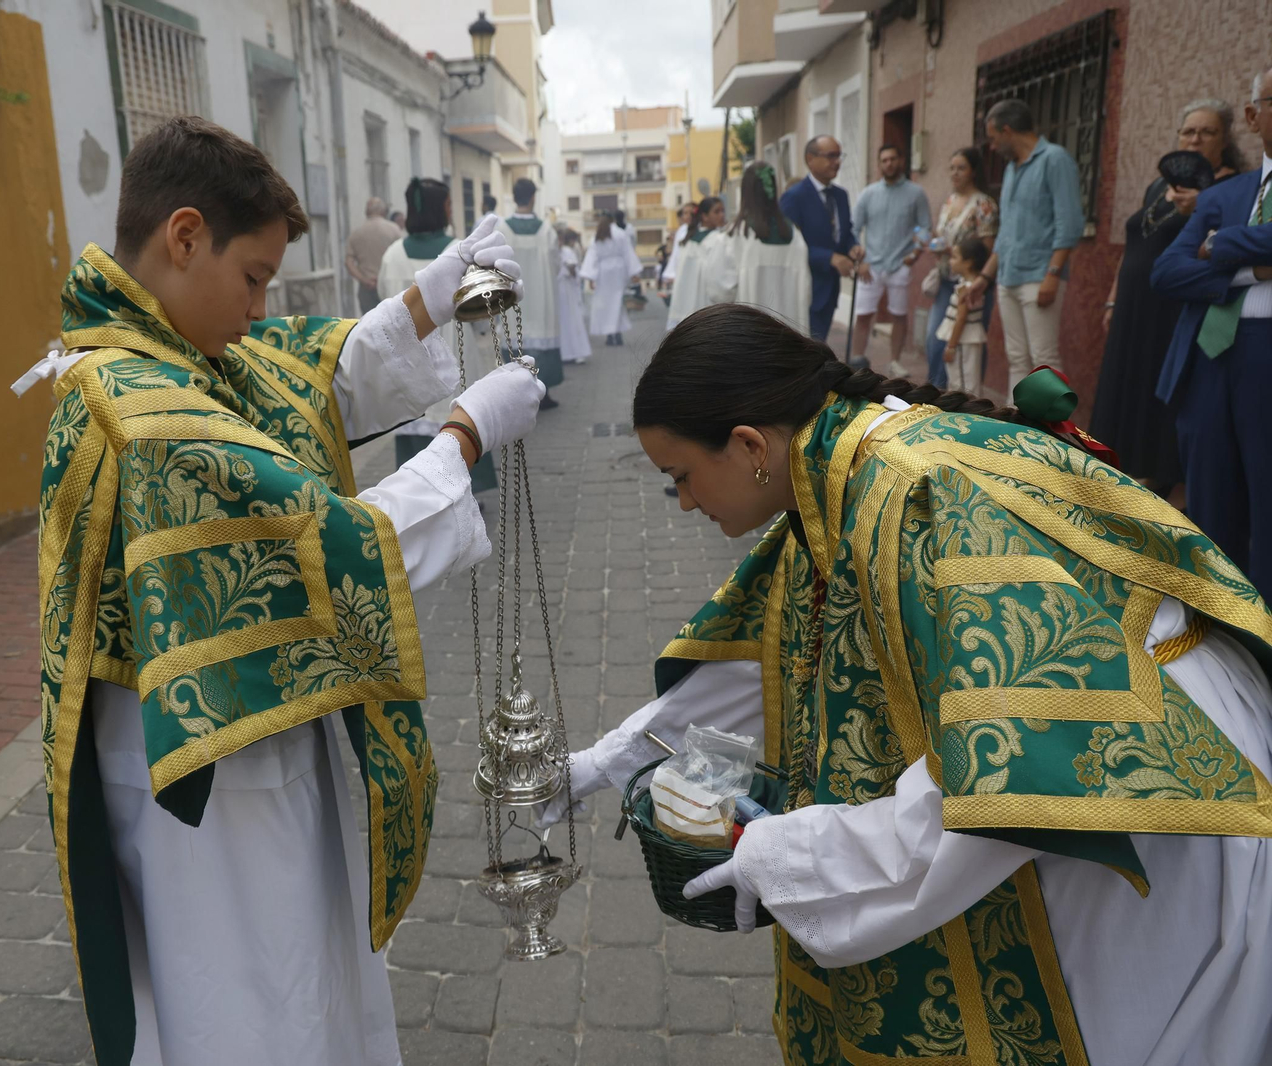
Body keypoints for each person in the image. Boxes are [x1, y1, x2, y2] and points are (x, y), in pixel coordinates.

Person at [542, 302, 1272, 1066]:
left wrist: (793, 855)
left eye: (682, 477)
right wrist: (605, 762)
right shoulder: (827, 476)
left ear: (749, 444)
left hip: (1154, 782)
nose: (686, 502)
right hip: (1089, 746)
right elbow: (775, 654)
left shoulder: (907, 493)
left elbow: (1011, 759)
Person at [24, 117, 545, 1065]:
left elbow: (299, 380)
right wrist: (462, 438)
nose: (262, 308)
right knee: (255, 996)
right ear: (185, 238)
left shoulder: (170, 348)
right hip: (213, 781)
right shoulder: (139, 405)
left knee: (301, 973)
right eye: (254, 277)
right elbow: (324, 543)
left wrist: (424, 303)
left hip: (243, 730)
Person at [1153, 65, 1272, 597]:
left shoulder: (1221, 211)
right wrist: (1252, 268)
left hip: (1265, 357)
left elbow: (1206, 251)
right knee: (1208, 499)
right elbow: (1168, 271)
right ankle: (1213, 616)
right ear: (1253, 114)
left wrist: (1223, 246)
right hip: (1207, 356)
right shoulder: (1227, 194)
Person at [1092, 99, 1243, 503]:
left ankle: (1159, 477)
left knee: (1158, 385)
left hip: (1173, 307)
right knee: (1126, 378)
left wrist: (1199, 210)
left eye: (1206, 132)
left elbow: (1220, 250)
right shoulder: (1161, 183)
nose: (1195, 139)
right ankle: (1121, 463)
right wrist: (1111, 298)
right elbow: (1134, 242)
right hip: (1132, 304)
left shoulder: (1231, 185)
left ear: (1225, 138)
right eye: (1188, 131)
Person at [376, 176, 498, 491]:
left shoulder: (391, 255)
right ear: (440, 209)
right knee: (455, 426)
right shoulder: (456, 252)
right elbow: (479, 313)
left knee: (415, 436)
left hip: (406, 365)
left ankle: (417, 500)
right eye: (448, 204)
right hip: (455, 360)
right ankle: (463, 495)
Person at [968, 99, 1085, 390]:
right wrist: (985, 277)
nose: (992, 147)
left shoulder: (1054, 159)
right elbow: (1006, 232)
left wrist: (1053, 276)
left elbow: (1069, 224)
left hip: (1039, 277)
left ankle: (1051, 429)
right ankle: (1017, 424)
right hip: (1007, 278)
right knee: (1017, 357)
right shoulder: (1011, 169)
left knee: (1043, 358)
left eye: (993, 139)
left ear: (1007, 130)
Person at [849, 143, 931, 375]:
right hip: (871, 266)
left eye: (892, 159)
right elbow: (853, 229)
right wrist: (858, 257)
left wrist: (914, 255)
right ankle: (856, 361)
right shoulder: (868, 193)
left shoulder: (916, 193)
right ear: (879, 164)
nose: (889, 164)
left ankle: (894, 361)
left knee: (899, 315)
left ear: (901, 161)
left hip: (900, 265)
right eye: (884, 160)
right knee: (863, 314)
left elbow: (925, 227)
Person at [922, 147, 999, 389]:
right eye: (952, 168)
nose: (955, 173)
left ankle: (967, 400)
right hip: (946, 279)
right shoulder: (950, 200)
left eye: (961, 168)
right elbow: (940, 233)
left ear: (973, 171)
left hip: (970, 283)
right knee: (935, 339)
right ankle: (936, 394)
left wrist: (955, 252)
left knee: (968, 347)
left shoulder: (984, 204)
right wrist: (936, 245)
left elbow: (986, 248)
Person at [781, 135, 860, 341]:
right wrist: (829, 258)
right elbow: (788, 247)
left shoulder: (841, 195)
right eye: (831, 156)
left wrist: (853, 247)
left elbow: (845, 232)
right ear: (810, 159)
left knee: (819, 348)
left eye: (839, 155)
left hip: (830, 290)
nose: (837, 161)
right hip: (805, 288)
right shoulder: (794, 197)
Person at [498, 177, 563, 408]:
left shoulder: (502, 228)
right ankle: (541, 394)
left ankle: (516, 396)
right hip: (541, 298)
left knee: (514, 339)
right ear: (533, 197)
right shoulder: (546, 230)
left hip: (512, 299)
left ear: (515, 197)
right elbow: (556, 264)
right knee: (541, 340)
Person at [726, 161, 811, 335]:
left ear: (746, 191)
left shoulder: (739, 232)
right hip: (791, 333)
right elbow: (806, 290)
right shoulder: (794, 233)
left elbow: (722, 288)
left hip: (752, 333)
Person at [664, 196, 729, 332]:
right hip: (706, 303)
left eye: (723, 211)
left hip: (688, 305)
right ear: (704, 216)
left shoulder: (690, 238)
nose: (722, 215)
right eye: (717, 212)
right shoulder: (718, 240)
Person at [935, 236, 990, 391]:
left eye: (954, 257)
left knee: (961, 384)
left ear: (968, 262)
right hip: (966, 340)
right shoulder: (971, 285)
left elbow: (960, 318)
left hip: (962, 342)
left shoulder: (966, 289)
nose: (951, 261)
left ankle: (966, 413)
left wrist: (951, 346)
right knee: (966, 381)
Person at [580, 212, 636, 346]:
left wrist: (590, 278)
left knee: (606, 304)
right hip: (618, 271)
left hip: (603, 272)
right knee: (617, 303)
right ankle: (618, 334)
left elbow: (592, 257)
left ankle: (610, 335)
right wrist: (633, 272)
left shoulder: (597, 235)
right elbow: (628, 253)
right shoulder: (621, 234)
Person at [343, 196, 401, 314]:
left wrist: (364, 280)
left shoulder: (356, 233)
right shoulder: (394, 230)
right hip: (389, 286)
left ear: (366, 212)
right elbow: (400, 257)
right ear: (383, 211)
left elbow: (348, 263)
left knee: (370, 326)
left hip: (367, 289)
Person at [556, 227, 592, 365]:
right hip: (557, 291)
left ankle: (577, 352)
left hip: (568, 290)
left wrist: (570, 270)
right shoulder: (550, 253)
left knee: (573, 320)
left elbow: (576, 273)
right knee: (561, 323)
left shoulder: (568, 251)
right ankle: (563, 353)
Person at [662, 200, 697, 294]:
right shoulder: (681, 231)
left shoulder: (698, 230)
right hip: (681, 272)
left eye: (691, 212)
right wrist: (671, 273)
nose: (688, 215)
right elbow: (676, 255)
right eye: (685, 213)